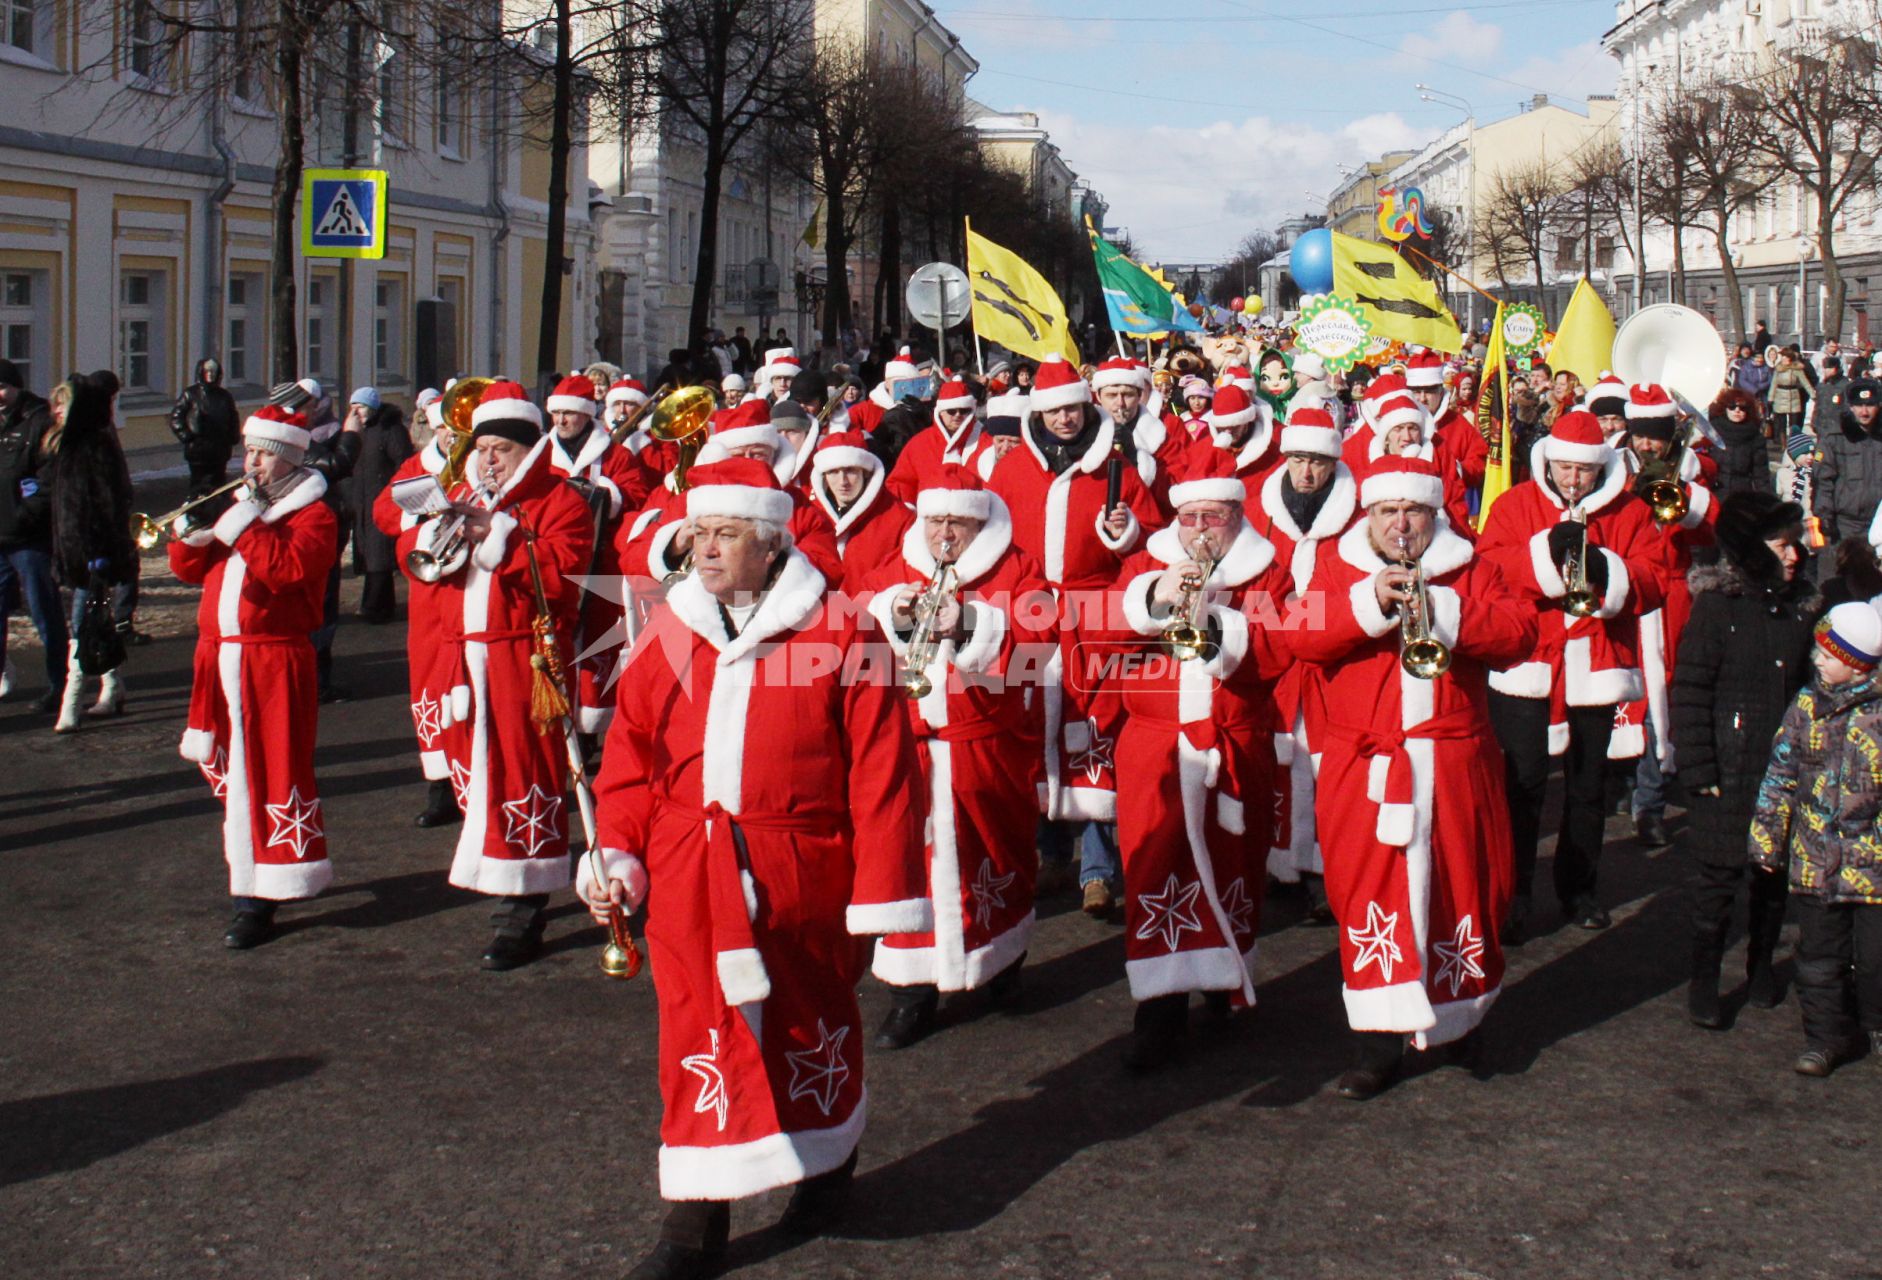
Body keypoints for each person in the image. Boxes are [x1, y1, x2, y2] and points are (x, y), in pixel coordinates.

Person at [578, 458, 927, 1277]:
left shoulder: (842, 630)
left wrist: (880, 898)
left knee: (811, 1018)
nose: (704, 550)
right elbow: (630, 757)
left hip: (801, 866)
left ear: (770, 544)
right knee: (697, 1031)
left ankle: (828, 1162)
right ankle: (694, 1224)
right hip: (686, 868)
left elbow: (884, 771)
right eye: (698, 533)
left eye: (725, 534)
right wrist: (617, 847)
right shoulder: (668, 631)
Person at [1291, 455, 1537, 1099]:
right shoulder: (1336, 566)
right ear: (1368, 516)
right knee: (1366, 895)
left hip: (1455, 762)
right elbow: (1299, 635)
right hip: (1367, 767)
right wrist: (1366, 602)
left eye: (1414, 512)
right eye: (1387, 512)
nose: (1401, 525)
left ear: (1435, 513)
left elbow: (1520, 634)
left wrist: (1448, 612)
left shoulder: (1473, 566)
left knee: (1463, 891)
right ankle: (1377, 1043)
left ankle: (1461, 1024)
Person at [1097, 453, 1292, 1070]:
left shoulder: (1270, 573)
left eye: (1214, 516)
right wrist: (1155, 595)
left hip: (1233, 742)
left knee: (1235, 865)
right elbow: (1097, 629)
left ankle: (1223, 982)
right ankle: (1157, 1012)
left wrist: (1219, 624)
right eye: (1190, 517)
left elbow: (1281, 645)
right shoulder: (1144, 565)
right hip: (1155, 747)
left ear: (1237, 517)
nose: (1201, 528)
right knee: (1154, 871)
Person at [404, 380, 593, 970]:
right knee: (476, 774)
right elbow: (421, 570)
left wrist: (499, 537)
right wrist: (433, 531)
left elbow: (561, 579)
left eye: (501, 450)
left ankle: (524, 901)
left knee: (522, 770)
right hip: (462, 658)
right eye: (481, 447)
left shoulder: (561, 501)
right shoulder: (462, 492)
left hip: (522, 658)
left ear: (529, 450)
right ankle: (496, 869)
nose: (488, 459)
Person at [863, 470, 1054, 1049]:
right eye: (937, 521)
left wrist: (971, 623)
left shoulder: (1017, 566)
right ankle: (910, 995)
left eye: (959, 523)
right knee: (908, 864)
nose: (946, 534)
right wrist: (895, 613)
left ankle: (1002, 960)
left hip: (986, 739)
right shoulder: (899, 564)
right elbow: (855, 617)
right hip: (912, 740)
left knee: (999, 852)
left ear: (980, 522)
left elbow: (1040, 639)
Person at [1478, 411, 1671, 938]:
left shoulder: (1630, 512)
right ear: (1549, 462)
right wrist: (1544, 555)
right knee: (1523, 785)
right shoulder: (1514, 504)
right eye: (1564, 468)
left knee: (1587, 788)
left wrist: (1607, 567)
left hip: (1596, 665)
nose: (1572, 480)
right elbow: (1488, 567)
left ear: (1600, 469)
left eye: (1583, 472)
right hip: (1528, 663)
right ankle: (1513, 893)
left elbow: (1656, 579)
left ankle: (1578, 888)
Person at [987, 356, 1160, 917]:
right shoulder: (1011, 472)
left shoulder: (1117, 468)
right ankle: (1049, 853)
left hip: (1095, 617)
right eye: (1055, 410)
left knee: (1099, 735)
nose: (1065, 418)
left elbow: (1153, 542)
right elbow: (990, 540)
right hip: (1030, 614)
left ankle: (1098, 868)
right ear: (1039, 412)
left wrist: (1126, 533)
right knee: (1034, 731)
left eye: (1073, 408)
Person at [168, 404, 337, 949]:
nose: (252, 463)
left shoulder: (315, 515)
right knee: (227, 771)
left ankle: (258, 896)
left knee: (269, 772)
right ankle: (256, 873)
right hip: (220, 660)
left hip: (273, 661)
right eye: (251, 452)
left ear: (288, 459)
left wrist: (242, 526)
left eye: (264, 454)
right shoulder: (240, 504)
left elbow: (287, 572)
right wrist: (188, 535)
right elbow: (189, 571)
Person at [1674, 492, 1820, 1029]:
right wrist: (1698, 768)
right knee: (1716, 883)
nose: (1794, 555)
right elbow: (1691, 688)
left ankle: (1761, 965)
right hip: (1726, 770)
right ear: (1754, 548)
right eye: (1783, 545)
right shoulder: (1717, 608)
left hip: (1784, 770)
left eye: (1796, 544)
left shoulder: (1803, 609)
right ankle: (1705, 979)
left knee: (1771, 879)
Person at [1750, 601, 1882, 1076]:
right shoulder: (1806, 706)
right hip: (1814, 856)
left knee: (1874, 960)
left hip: (1873, 864)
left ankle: (1874, 1022)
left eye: (1829, 654)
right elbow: (1781, 774)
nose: (1817, 660)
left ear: (1856, 662)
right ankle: (1827, 1038)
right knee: (1819, 959)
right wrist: (1767, 836)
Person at [1245, 405, 1357, 915]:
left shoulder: (1356, 513)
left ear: (1332, 461)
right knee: (1278, 758)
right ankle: (1278, 861)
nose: (1307, 472)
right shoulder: (1259, 511)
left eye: (1317, 461)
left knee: (1328, 765)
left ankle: (1321, 867)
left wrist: (1315, 617)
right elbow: (1246, 577)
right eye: (1298, 460)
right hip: (1276, 656)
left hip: (1335, 658)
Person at [1615, 384, 1719, 848]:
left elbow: (1712, 531)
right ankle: (1626, 782)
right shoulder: (1612, 469)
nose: (1646, 445)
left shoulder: (1689, 471)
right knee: (1623, 696)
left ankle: (1650, 801)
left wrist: (1687, 498)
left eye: (1654, 436)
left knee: (1663, 695)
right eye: (1640, 435)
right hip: (1624, 594)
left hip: (1670, 599)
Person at [372, 393, 464, 829]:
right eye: (442, 427)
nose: (449, 434)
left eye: (456, 426)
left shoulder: (481, 465)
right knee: (428, 688)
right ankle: (440, 787)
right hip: (428, 600)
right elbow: (383, 512)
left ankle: (475, 783)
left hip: (469, 593)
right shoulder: (416, 467)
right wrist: (423, 518)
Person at [544, 373, 651, 738]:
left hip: (602, 559)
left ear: (587, 415)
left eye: (568, 414)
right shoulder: (542, 453)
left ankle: (593, 721)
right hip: (557, 561)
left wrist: (605, 493)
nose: (561, 421)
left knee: (599, 641)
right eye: (556, 413)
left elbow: (637, 497)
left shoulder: (615, 455)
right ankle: (560, 716)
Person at [43, 374, 137, 730]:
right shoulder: (68, 443)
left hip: (95, 554)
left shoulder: (96, 446)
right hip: (72, 552)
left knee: (82, 623)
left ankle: (71, 700)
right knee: (95, 621)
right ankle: (112, 686)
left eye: (64, 404)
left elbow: (110, 502)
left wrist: (101, 550)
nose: (57, 410)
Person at [0, 357, 66, 713]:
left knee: (45, 612)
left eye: (3, 387)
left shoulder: (38, 421)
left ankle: (59, 684)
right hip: (0, 538)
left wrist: (27, 514)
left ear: (17, 386)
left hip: (29, 539)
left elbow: (48, 480)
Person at [806, 430, 910, 591]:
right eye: (833, 472)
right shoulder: (808, 513)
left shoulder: (899, 518)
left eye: (850, 471)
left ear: (866, 472)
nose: (843, 481)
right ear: (823, 476)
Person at [349, 388, 414, 625]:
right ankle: (374, 602)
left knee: (379, 555)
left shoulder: (390, 430)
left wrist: (394, 492)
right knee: (369, 554)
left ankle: (376, 607)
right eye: (353, 407)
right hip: (363, 500)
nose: (356, 413)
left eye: (361, 407)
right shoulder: (360, 432)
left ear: (373, 408)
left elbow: (403, 462)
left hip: (382, 500)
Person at [1813, 377, 1882, 571]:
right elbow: (1823, 480)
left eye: (1870, 405)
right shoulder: (1836, 437)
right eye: (1859, 405)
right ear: (1850, 407)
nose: (1864, 411)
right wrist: (1825, 516)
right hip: (1845, 526)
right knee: (1840, 579)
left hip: (1878, 524)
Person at [884, 376, 985, 505]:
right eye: (951, 411)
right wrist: (909, 512)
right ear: (941, 412)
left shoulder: (984, 441)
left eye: (964, 410)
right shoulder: (919, 444)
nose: (958, 415)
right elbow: (901, 483)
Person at [169, 357, 241, 498]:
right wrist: (187, 435)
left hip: (220, 449)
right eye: (207, 371)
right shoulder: (190, 394)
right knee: (198, 484)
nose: (210, 374)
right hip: (198, 449)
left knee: (218, 485)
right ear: (201, 372)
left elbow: (233, 417)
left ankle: (218, 511)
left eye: (214, 371)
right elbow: (176, 417)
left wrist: (233, 436)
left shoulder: (224, 396)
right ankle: (196, 512)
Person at [1709, 387, 1770, 495]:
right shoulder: (1712, 432)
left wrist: (1767, 501)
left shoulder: (1755, 437)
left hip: (1741, 494)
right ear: (1725, 408)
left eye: (1742, 408)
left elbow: (1761, 474)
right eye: (1732, 406)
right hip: (1713, 491)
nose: (1737, 410)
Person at [1769, 348, 1813, 443]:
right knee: (1781, 423)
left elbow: (1805, 383)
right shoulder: (1779, 369)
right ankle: (1783, 443)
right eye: (1782, 357)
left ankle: (1793, 442)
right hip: (1780, 396)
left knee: (1794, 423)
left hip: (1794, 396)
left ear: (1790, 358)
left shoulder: (1797, 369)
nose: (1783, 359)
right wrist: (1770, 398)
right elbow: (1774, 384)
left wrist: (1813, 394)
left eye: (1785, 357)